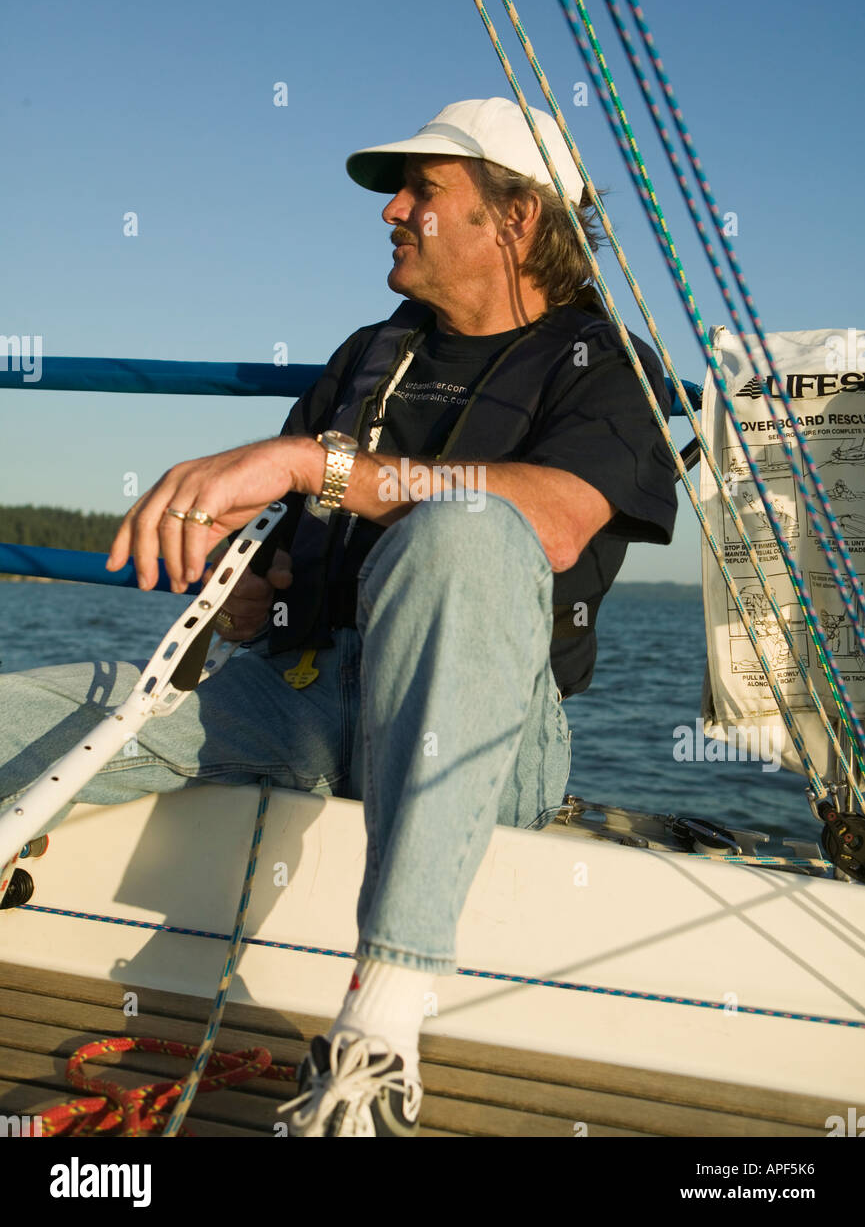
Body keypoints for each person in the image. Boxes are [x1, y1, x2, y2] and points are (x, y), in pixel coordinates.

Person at [0, 97, 677, 1137]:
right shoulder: (370, 353)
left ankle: (376, 1038)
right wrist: (248, 577)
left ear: (517, 220)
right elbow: (279, 531)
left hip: (485, 728)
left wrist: (309, 461)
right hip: (300, 690)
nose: (391, 210)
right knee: (39, 713)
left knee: (468, 528)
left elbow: (547, 522)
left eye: (423, 191)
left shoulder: (604, 367)